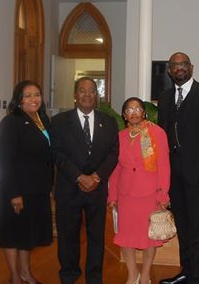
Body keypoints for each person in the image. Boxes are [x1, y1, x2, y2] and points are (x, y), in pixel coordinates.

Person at [157, 52, 199, 284]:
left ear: (191, 67)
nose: (179, 68)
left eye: (183, 64)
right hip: (174, 177)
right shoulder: (165, 98)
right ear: (169, 70)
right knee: (183, 227)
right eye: (174, 65)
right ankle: (185, 272)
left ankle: (197, 277)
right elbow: (162, 138)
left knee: (197, 228)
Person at [50, 76, 119, 284]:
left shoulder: (108, 122)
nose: (87, 94)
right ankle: (69, 274)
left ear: (96, 96)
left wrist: (96, 177)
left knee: (96, 236)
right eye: (82, 90)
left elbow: (113, 153)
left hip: (97, 189)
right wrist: (80, 176)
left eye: (91, 90)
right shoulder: (60, 121)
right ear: (74, 95)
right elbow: (57, 153)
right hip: (69, 187)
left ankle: (94, 277)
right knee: (67, 235)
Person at [0, 80, 53, 284]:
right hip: (16, 189)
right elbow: (4, 160)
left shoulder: (43, 119)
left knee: (28, 235)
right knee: (13, 234)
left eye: (37, 94)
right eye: (27, 95)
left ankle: (26, 273)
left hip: (37, 189)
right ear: (19, 100)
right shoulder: (11, 122)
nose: (33, 99)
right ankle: (15, 277)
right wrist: (13, 193)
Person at [107, 97, 171, 284]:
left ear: (144, 112)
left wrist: (163, 193)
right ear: (124, 115)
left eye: (137, 109)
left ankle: (145, 275)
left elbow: (164, 166)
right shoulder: (120, 137)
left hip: (149, 193)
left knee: (149, 237)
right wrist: (112, 195)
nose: (133, 112)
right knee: (125, 237)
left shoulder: (156, 133)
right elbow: (116, 168)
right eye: (129, 110)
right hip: (126, 194)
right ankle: (132, 273)